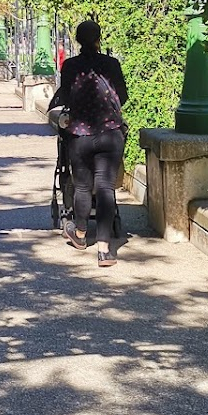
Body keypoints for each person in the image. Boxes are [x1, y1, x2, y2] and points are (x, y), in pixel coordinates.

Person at [54, 19, 128, 268]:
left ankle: (82, 233)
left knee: (83, 187)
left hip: (80, 134)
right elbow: (123, 96)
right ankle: (105, 250)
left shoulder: (71, 66)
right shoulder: (111, 64)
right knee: (106, 187)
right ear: (99, 39)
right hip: (109, 132)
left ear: (77, 40)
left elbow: (64, 96)